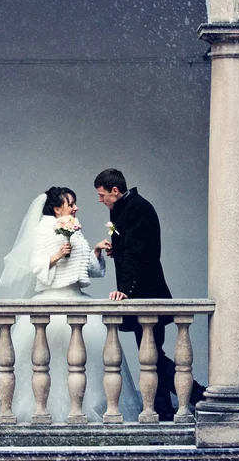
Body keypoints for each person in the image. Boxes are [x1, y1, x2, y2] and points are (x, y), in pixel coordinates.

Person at [0, 187, 141, 423]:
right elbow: (36, 265)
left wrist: (96, 251)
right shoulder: (44, 230)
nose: (76, 207)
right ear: (57, 208)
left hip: (77, 301)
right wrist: (57, 255)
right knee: (50, 363)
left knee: (85, 363)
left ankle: (82, 410)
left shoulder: (74, 230)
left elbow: (85, 268)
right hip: (52, 301)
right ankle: (43, 412)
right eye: (71, 204)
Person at [94, 168, 206, 421]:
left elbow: (139, 252)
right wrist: (116, 249)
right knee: (151, 355)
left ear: (115, 190)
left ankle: (197, 393)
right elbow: (128, 248)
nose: (100, 200)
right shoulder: (122, 208)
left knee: (152, 354)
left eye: (102, 195)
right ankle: (163, 407)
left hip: (147, 292)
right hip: (138, 293)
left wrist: (126, 291)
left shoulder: (138, 208)